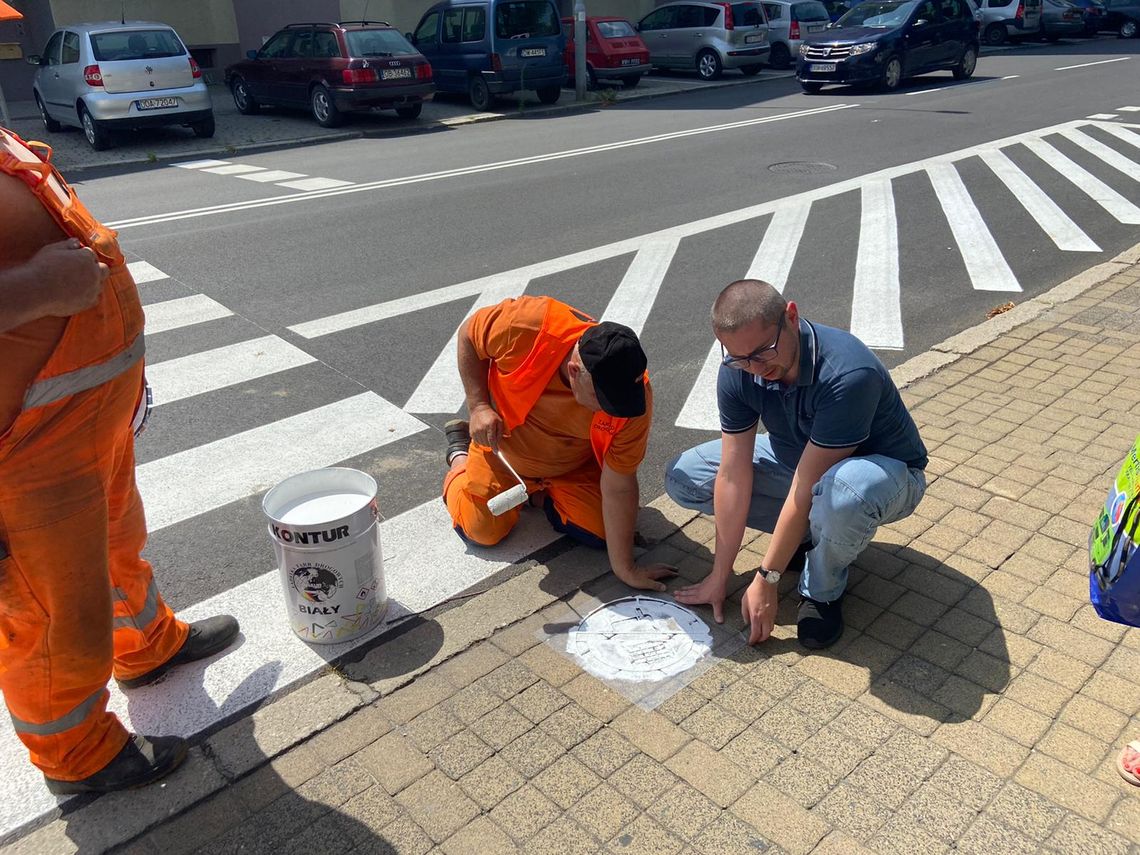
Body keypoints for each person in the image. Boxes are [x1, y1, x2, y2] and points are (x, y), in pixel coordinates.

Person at [0, 127, 239, 794]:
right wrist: (38, 287)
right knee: (51, 614)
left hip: (76, 418)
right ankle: (76, 753)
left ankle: (146, 645)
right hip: (24, 452)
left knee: (116, 546)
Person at [665, 279, 927, 649]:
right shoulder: (738, 369)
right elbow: (733, 473)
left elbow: (807, 486)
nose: (755, 368)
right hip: (802, 464)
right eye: (738, 357)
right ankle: (805, 540)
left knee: (843, 494)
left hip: (882, 475)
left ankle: (822, 590)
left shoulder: (846, 374)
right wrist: (719, 576)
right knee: (686, 477)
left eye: (763, 352)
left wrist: (767, 579)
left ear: (791, 316)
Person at [443, 295, 675, 592]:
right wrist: (478, 407)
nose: (610, 412)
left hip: (571, 467)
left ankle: (535, 495)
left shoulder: (633, 399)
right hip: (503, 453)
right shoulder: (526, 326)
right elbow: (469, 335)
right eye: (602, 402)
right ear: (575, 371)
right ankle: (459, 457)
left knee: (605, 535)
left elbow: (619, 483)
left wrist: (625, 568)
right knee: (481, 531)